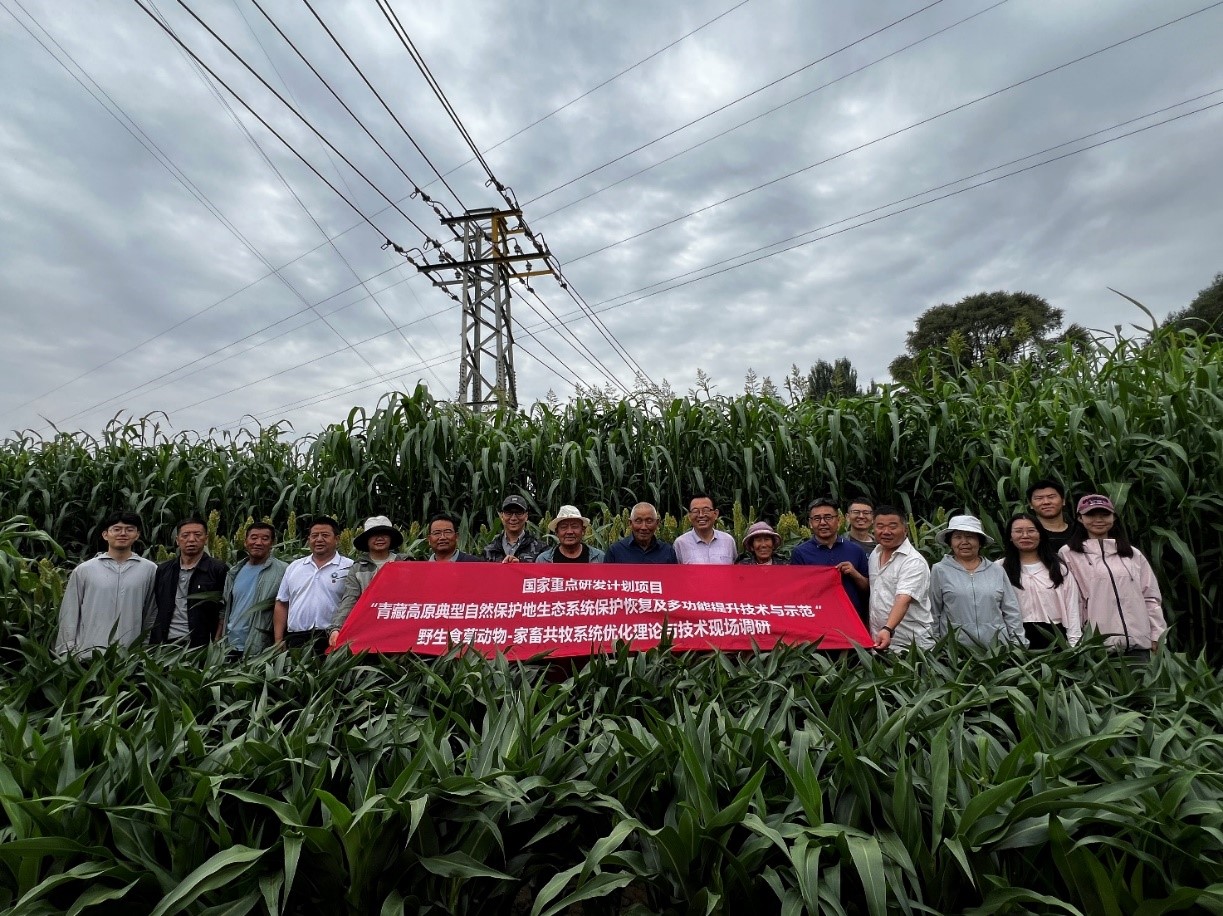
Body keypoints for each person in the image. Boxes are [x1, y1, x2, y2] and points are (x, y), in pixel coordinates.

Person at [1060, 494, 1166, 655]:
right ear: (1080, 518)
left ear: (1114, 517)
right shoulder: (1069, 554)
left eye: (1105, 514)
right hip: (1095, 646)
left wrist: (1157, 634)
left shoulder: (1131, 553)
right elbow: (1071, 600)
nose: (1098, 520)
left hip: (1138, 644)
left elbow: (1150, 597)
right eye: (1091, 515)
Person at [55, 510, 158, 657]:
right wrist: (67, 651)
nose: (123, 533)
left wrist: (146, 649)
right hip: (88, 654)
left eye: (129, 530)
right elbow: (69, 612)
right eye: (117, 529)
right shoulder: (85, 570)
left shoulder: (149, 569)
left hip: (129, 655)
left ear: (137, 535)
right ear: (105, 535)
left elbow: (151, 613)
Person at [930, 515, 1027, 648]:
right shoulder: (940, 570)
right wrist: (935, 646)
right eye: (958, 537)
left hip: (996, 648)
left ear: (980, 542)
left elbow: (1011, 610)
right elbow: (933, 612)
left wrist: (1018, 643)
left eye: (970, 537)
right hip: (956, 649)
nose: (964, 542)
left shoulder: (996, 570)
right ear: (950, 542)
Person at [273, 516, 353, 654]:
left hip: (333, 637)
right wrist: (278, 640)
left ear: (337, 539)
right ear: (308, 539)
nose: (319, 539)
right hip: (297, 637)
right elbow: (281, 603)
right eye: (314, 536)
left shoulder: (350, 567)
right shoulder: (294, 567)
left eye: (325, 535)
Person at [1000, 513, 1081, 649]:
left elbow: (1072, 606)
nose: (1025, 535)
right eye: (1018, 531)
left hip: (1056, 636)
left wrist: (1074, 643)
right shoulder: (999, 568)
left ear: (1041, 535)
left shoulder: (1058, 568)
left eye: (1031, 531)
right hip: (1016, 638)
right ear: (1010, 536)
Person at [329, 516, 408, 647]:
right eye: (374, 535)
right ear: (366, 540)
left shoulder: (405, 564)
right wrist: (337, 628)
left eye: (384, 534)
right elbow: (350, 599)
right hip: (368, 629)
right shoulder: (358, 568)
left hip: (400, 627)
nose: (380, 538)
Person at [151, 516, 228, 647]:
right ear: (177, 540)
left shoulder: (218, 569)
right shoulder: (164, 570)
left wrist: (217, 639)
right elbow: (157, 604)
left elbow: (225, 607)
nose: (191, 539)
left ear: (206, 539)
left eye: (198, 535)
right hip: (165, 643)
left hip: (201, 643)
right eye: (185, 535)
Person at [790, 498, 870, 624]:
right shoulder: (800, 553)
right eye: (817, 518)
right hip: (816, 620)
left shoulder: (856, 550)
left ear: (838, 520)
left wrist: (854, 574)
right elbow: (796, 592)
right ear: (810, 523)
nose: (823, 523)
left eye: (828, 517)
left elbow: (869, 589)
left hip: (852, 621)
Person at [867, 505, 933, 651]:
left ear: (905, 529)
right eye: (880, 526)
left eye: (892, 526)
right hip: (878, 641)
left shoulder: (913, 561)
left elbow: (903, 599)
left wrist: (887, 629)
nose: (886, 532)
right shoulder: (875, 554)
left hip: (910, 646)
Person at [218, 522, 288, 656]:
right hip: (229, 646)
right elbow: (225, 608)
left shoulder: (284, 570)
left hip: (259, 647)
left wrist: (279, 641)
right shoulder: (234, 571)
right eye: (254, 538)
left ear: (272, 543)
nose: (258, 542)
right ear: (245, 542)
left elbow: (286, 606)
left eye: (265, 539)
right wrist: (218, 638)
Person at [605, 502, 678, 565]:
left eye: (649, 521)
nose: (644, 527)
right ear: (630, 523)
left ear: (657, 523)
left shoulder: (667, 551)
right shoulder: (615, 551)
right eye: (638, 521)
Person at [673, 495, 737, 565]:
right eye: (695, 511)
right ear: (689, 516)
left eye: (706, 510)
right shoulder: (680, 543)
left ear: (715, 514)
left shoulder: (728, 541)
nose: (701, 515)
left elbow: (735, 569)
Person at [483, 495, 546, 563]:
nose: (513, 518)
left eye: (519, 513)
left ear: (526, 516)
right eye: (508, 513)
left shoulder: (541, 549)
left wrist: (520, 566)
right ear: (502, 516)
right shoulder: (490, 550)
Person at [537, 505, 605, 563]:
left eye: (574, 526)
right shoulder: (543, 560)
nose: (569, 532)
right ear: (557, 532)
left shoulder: (599, 558)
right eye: (564, 527)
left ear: (583, 530)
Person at [1027, 479, 1072, 551]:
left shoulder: (1079, 531)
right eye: (1039, 498)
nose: (1046, 502)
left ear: (1063, 501)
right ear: (1030, 504)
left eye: (1051, 497)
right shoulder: (1027, 535)